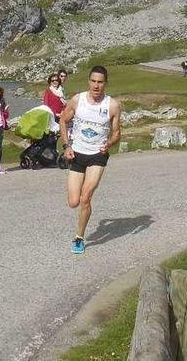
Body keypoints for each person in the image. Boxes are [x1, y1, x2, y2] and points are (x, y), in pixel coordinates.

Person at [59, 65, 122, 254]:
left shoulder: (112, 105)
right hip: (77, 154)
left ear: (105, 83)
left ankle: (79, 237)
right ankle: (78, 215)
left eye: (100, 82)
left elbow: (117, 133)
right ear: (89, 82)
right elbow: (63, 120)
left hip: (97, 155)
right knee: (73, 202)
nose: (96, 86)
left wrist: (109, 144)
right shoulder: (77, 100)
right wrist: (66, 146)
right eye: (93, 81)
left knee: (86, 197)